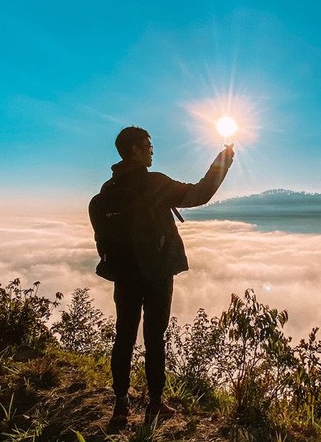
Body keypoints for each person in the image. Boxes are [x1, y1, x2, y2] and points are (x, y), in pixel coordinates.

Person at [101, 126, 234, 427]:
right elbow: (200, 193)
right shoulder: (154, 183)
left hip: (124, 274)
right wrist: (225, 158)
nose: (152, 150)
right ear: (134, 149)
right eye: (147, 145)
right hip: (157, 273)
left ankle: (121, 405)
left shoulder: (108, 190)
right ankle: (155, 406)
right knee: (154, 339)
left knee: (123, 336)